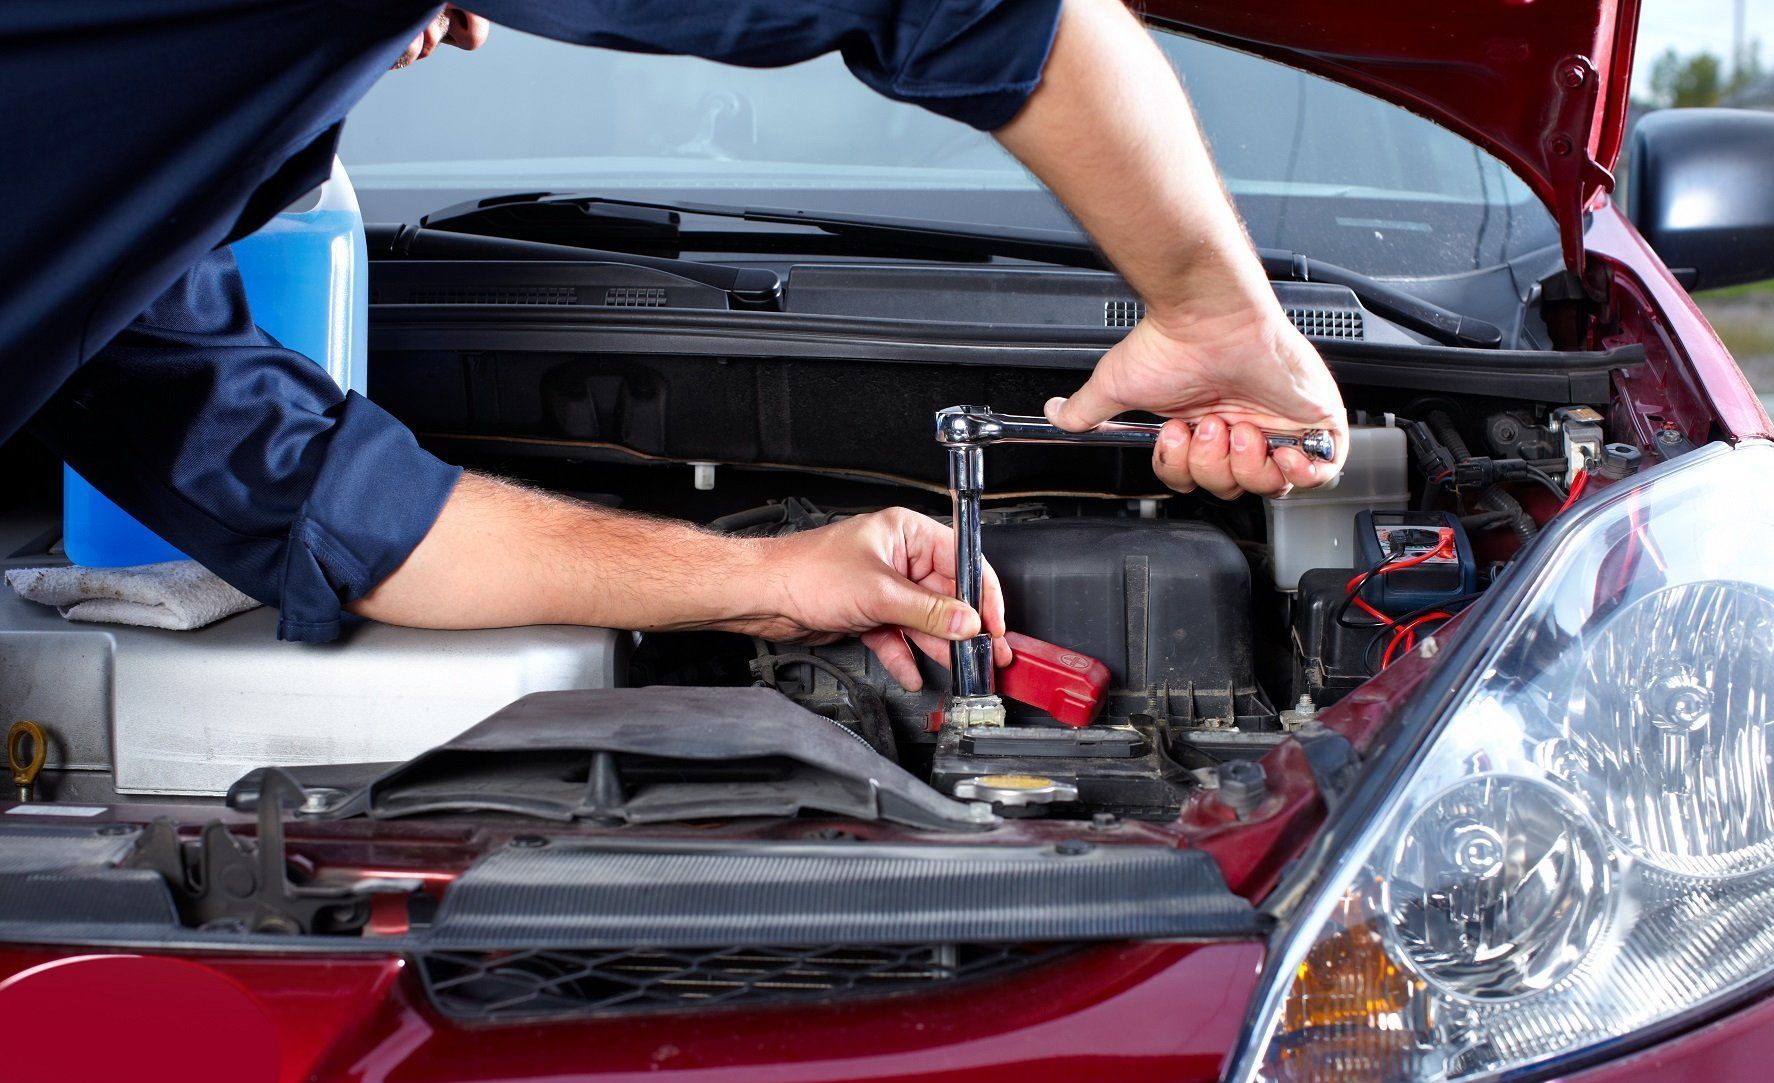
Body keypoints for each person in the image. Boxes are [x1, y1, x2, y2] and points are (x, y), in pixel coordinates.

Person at [3, 0, 1344, 693]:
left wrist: (768, 583)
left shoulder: (90, 215)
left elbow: (323, 501)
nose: (470, 35)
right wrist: (1209, 307)